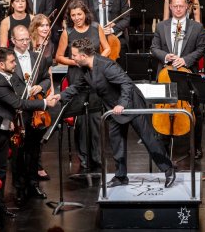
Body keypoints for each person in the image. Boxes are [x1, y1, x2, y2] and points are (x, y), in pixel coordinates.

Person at [52, 38, 176, 188]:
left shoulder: (106, 65)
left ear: (84, 56)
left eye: (74, 55)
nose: (72, 58)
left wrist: (122, 104)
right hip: (113, 108)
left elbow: (126, 83)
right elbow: (77, 86)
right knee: (116, 142)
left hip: (131, 104)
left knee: (149, 139)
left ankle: (168, 170)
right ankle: (121, 176)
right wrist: (60, 95)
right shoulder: (85, 69)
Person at [0, 48, 56, 224]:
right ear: (1, 64)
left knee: (1, 170)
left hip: (2, 129)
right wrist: (44, 102)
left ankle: (0, 207)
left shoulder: (9, 76)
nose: (16, 64)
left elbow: (21, 93)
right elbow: (18, 103)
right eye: (12, 61)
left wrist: (37, 90)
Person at [55, 0, 110, 170]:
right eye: (73, 15)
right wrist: (76, 62)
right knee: (81, 119)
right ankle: (84, 157)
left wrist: (96, 61)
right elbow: (59, 57)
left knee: (95, 117)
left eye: (79, 14)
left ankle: (97, 155)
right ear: (69, 17)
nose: (77, 18)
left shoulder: (95, 28)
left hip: (95, 75)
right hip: (77, 76)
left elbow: (107, 48)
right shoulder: (68, 32)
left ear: (85, 13)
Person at [150, 0, 205, 159]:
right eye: (175, 6)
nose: (179, 9)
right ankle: (164, 147)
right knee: (164, 109)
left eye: (182, 6)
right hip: (166, 74)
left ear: (187, 7)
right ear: (170, 7)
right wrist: (166, 57)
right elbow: (154, 48)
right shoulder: (162, 26)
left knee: (195, 110)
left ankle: (195, 147)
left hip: (188, 74)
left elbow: (201, 48)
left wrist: (185, 60)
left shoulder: (197, 27)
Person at [9, 25, 51, 207]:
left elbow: (47, 78)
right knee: (18, 150)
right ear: (13, 41)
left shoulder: (37, 57)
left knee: (34, 149)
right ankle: (19, 186)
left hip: (35, 110)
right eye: (21, 40)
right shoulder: (7, 59)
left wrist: (41, 87)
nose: (25, 43)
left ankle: (33, 184)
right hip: (16, 111)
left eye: (27, 39)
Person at [83, 0, 130, 70]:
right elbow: (85, 19)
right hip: (95, 39)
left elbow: (126, 19)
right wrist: (97, 29)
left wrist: (112, 29)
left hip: (116, 37)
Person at [29, 14, 54, 181]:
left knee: (41, 127)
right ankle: (32, 165)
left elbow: (48, 69)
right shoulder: (29, 43)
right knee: (31, 129)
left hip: (43, 86)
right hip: (30, 89)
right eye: (41, 25)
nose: (45, 28)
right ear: (35, 28)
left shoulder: (49, 45)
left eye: (47, 25)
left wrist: (51, 88)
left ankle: (36, 162)